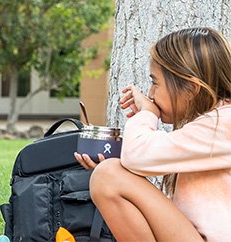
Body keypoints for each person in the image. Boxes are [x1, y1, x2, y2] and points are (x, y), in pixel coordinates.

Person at [76, 27, 231, 241]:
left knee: (108, 176)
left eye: (155, 83)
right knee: (109, 173)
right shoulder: (215, 123)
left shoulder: (223, 123)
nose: (150, 94)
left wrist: (147, 114)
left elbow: (138, 155)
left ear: (191, 88)